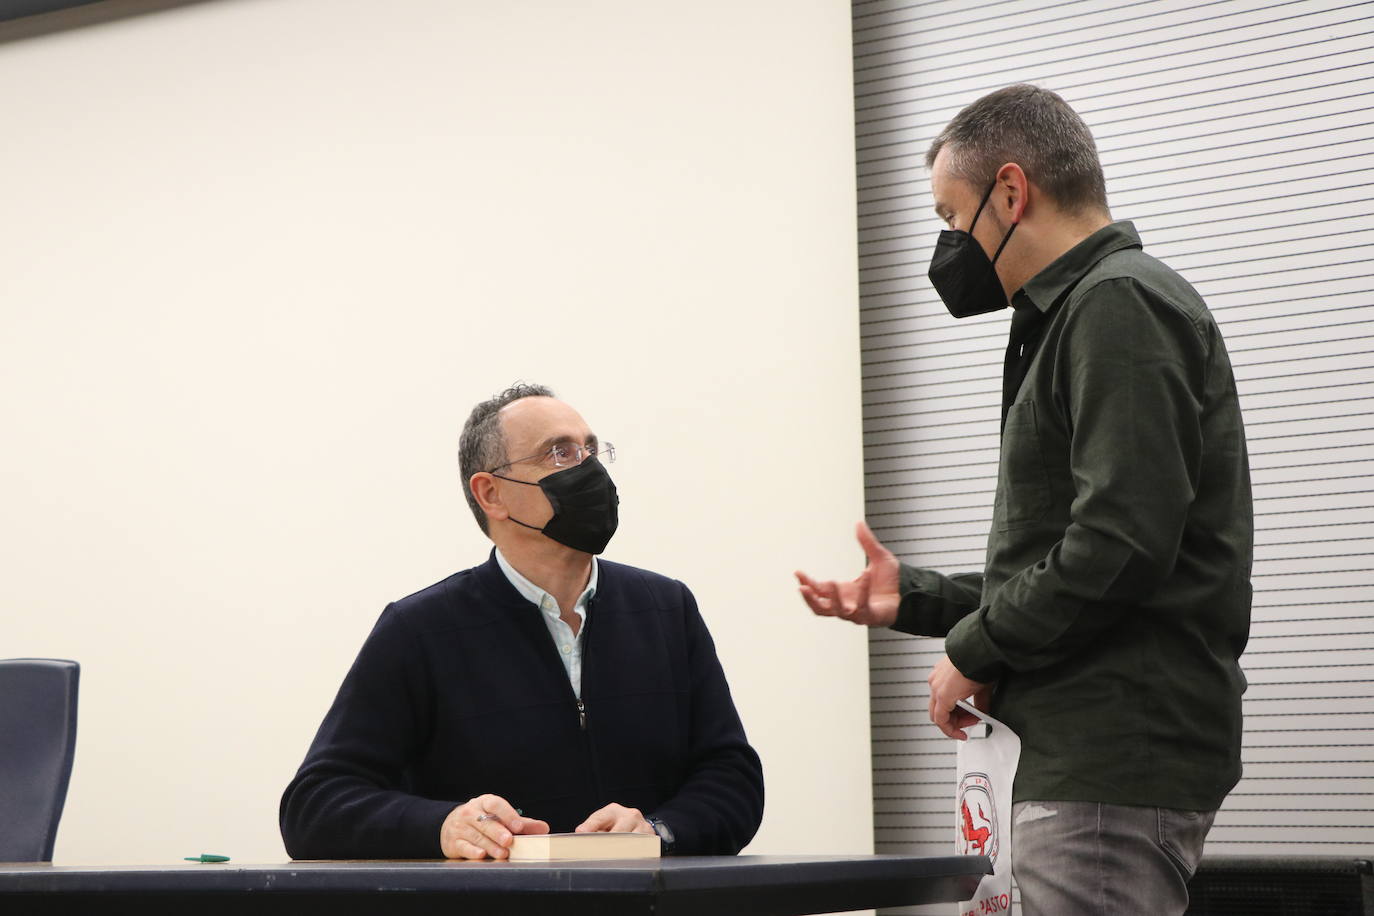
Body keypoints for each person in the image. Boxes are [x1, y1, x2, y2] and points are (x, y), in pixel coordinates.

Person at [796, 84, 1251, 916]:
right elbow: (1080, 553)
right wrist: (921, 599)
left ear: (1011, 192)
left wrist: (974, 646)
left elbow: (1120, 544)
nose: (946, 246)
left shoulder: (1118, 303)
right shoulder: (1080, 314)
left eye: (949, 215)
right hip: (1078, 758)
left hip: (1104, 758)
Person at [281, 383, 763, 860]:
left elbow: (731, 778)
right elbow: (314, 806)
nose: (589, 468)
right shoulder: (419, 630)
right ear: (491, 493)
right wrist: (443, 827)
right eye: (559, 453)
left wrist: (660, 831)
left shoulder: (666, 609)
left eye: (591, 450)